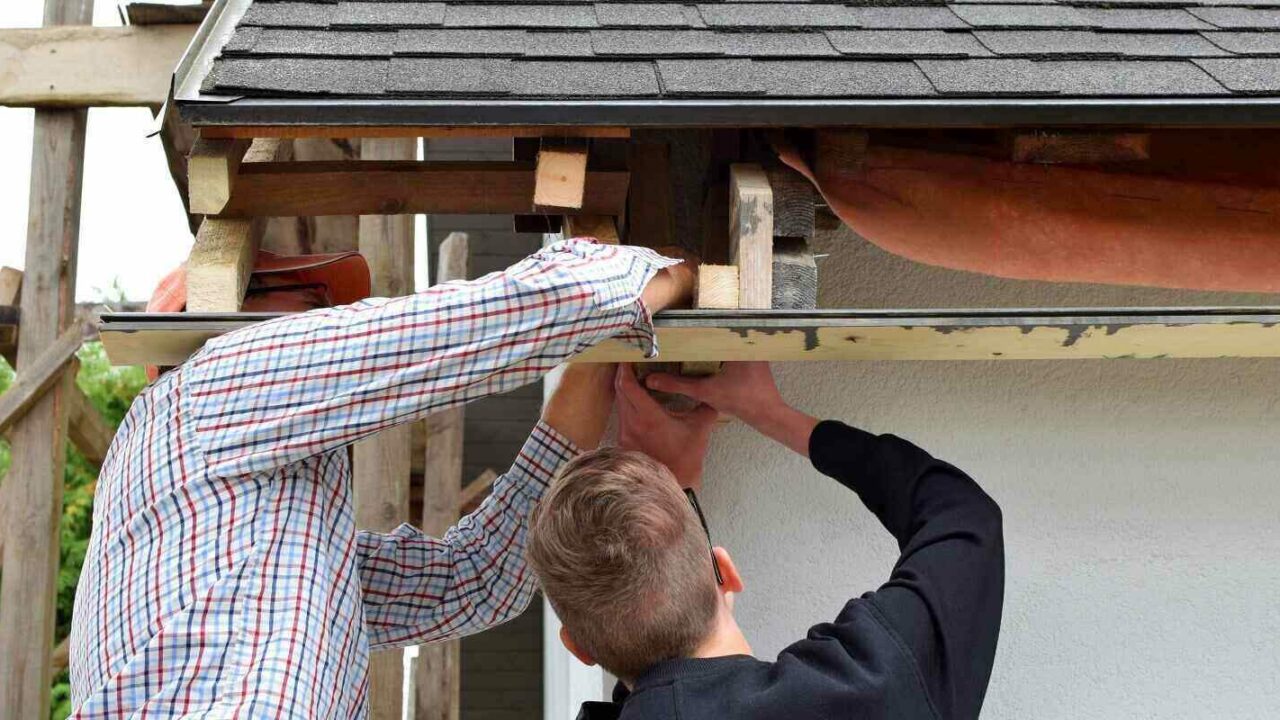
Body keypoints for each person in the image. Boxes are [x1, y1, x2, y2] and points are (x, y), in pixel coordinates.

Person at [69, 240, 694, 717]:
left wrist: (591, 370)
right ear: (210, 309)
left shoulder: (242, 535)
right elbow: (484, 324)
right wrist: (675, 271)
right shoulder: (212, 383)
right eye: (312, 304)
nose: (332, 320)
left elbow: (473, 581)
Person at [529, 362, 1005, 720]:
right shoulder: (873, 685)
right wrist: (770, 413)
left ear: (578, 647)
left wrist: (678, 494)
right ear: (727, 572)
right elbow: (962, 516)